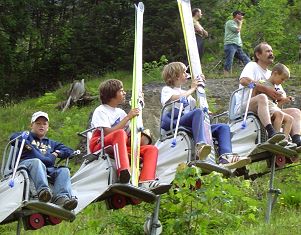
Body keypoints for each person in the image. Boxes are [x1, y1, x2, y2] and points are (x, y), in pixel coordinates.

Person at [160, 62, 250, 169]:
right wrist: (193, 88)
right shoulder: (167, 90)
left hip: (189, 123)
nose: (186, 74)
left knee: (223, 127)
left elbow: (195, 110)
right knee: (197, 112)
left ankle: (226, 156)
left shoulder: (187, 94)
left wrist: (204, 107)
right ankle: (200, 145)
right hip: (174, 122)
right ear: (176, 75)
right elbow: (177, 98)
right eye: (184, 72)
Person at [89, 79, 168, 194]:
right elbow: (107, 133)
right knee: (119, 133)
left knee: (151, 149)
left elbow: (130, 132)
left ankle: (147, 180)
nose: (124, 93)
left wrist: (139, 107)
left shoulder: (120, 112)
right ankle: (124, 171)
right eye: (121, 91)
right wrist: (128, 118)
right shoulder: (101, 110)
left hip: (120, 145)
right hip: (100, 143)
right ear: (112, 94)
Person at [237, 42, 301, 146]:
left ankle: (296, 139)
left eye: (271, 51)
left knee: (296, 112)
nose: (271, 53)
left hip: (270, 107)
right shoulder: (252, 65)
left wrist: (283, 98)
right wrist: (266, 90)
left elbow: (281, 97)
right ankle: (271, 132)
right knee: (262, 97)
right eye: (267, 51)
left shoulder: (272, 73)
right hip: (248, 104)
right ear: (258, 55)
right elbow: (244, 80)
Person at [10, 111, 78, 210]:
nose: (41, 126)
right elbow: (13, 137)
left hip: (47, 169)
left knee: (64, 170)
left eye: (44, 124)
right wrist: (30, 148)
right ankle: (43, 192)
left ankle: (62, 198)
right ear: (31, 125)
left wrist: (56, 153)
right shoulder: (26, 135)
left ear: (47, 127)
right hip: (27, 166)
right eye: (38, 123)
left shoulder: (51, 143)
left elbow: (70, 151)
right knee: (37, 162)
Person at [252, 63, 294, 143]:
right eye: (282, 79)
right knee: (279, 114)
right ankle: (275, 138)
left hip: (272, 107)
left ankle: (284, 141)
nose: (283, 82)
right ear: (275, 73)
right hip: (265, 106)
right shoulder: (262, 82)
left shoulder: (276, 88)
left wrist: (284, 100)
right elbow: (254, 89)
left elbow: (276, 105)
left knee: (290, 119)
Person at [224, 10, 251, 76]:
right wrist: (240, 23)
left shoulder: (237, 24)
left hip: (238, 45)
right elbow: (237, 30)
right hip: (230, 44)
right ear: (236, 15)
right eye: (241, 14)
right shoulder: (230, 22)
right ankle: (226, 76)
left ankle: (248, 75)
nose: (242, 16)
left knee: (247, 60)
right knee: (229, 61)